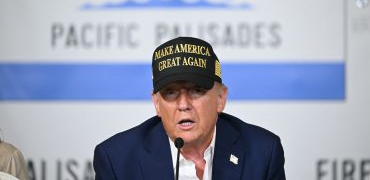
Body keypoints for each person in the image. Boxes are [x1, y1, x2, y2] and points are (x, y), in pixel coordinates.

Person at [93, 36, 286, 179]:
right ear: (157, 104)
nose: (184, 105)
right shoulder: (116, 159)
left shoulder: (262, 152)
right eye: (170, 93)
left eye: (196, 90)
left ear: (220, 98)